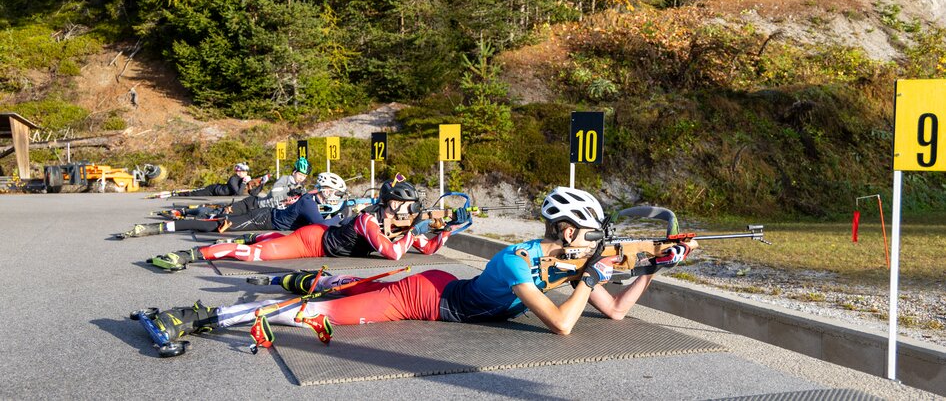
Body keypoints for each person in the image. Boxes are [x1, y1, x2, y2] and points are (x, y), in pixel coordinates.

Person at [138, 186, 694, 346]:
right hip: (424, 298)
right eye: (591, 238)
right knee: (318, 315)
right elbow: (563, 323)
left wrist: (654, 268)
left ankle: (310, 279)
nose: (596, 246)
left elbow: (616, 313)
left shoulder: (566, 262)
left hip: (446, 289)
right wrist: (592, 275)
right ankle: (197, 318)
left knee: (337, 294)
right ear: (569, 232)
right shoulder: (517, 259)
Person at [146, 177, 461, 271]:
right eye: (402, 206)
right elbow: (392, 253)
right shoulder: (368, 220)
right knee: (260, 256)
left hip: (321, 239)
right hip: (313, 241)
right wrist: (416, 229)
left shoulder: (398, 227)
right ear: (388, 203)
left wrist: (445, 230)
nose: (407, 211)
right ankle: (192, 256)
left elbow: (429, 248)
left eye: (410, 208)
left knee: (263, 243)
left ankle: (255, 237)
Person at [114, 170, 349, 240]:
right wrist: (343, 217)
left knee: (218, 221)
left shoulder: (310, 199)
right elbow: (322, 225)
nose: (334, 196)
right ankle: (163, 227)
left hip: (264, 212)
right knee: (219, 225)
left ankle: (172, 223)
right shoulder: (309, 202)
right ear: (326, 189)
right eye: (335, 193)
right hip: (262, 217)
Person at [158, 158, 313, 220]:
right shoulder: (284, 180)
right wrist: (289, 192)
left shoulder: (300, 186)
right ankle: (185, 212)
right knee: (221, 213)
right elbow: (273, 195)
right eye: (300, 174)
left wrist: (260, 183)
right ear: (294, 172)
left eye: (304, 176)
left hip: (264, 210)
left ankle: (192, 211)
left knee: (224, 213)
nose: (302, 178)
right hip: (254, 205)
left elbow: (255, 192)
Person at [185, 163, 265, 197]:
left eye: (246, 171)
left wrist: (262, 184)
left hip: (218, 192)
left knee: (194, 193)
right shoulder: (233, 179)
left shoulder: (243, 179)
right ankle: (178, 194)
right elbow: (239, 193)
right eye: (244, 171)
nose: (246, 173)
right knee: (193, 194)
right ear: (238, 172)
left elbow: (252, 193)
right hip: (212, 190)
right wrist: (244, 181)